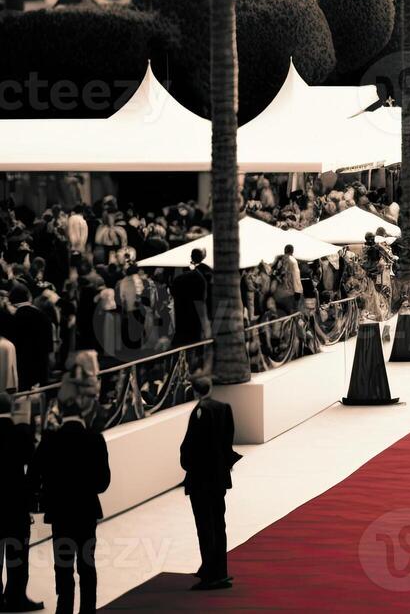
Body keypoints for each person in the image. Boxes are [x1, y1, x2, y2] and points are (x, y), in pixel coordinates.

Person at [33, 399, 110, 614]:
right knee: (87, 564)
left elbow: (33, 476)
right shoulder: (95, 439)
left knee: (63, 565)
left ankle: (64, 608)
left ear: (62, 415)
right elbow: (103, 482)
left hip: (60, 513)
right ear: (83, 415)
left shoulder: (50, 441)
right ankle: (88, 609)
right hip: (86, 511)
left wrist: (46, 493)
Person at [180, 375, 240, 591]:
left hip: (202, 480)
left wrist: (187, 465)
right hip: (219, 477)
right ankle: (218, 570)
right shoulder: (224, 408)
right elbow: (228, 440)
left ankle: (211, 574)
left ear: (194, 391)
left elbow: (190, 448)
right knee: (219, 524)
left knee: (205, 526)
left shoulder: (199, 412)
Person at [0, 393, 41, 611]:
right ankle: (15, 597)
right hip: (15, 504)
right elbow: (31, 463)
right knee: (17, 556)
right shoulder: (19, 433)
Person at [7, 287, 50, 391]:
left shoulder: (12, 318)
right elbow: (48, 344)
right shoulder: (42, 315)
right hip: (40, 363)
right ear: (29, 297)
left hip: (20, 365)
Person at [170, 249, 209, 347]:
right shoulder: (200, 280)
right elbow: (201, 309)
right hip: (194, 330)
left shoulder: (178, 279)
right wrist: (208, 333)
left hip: (180, 328)